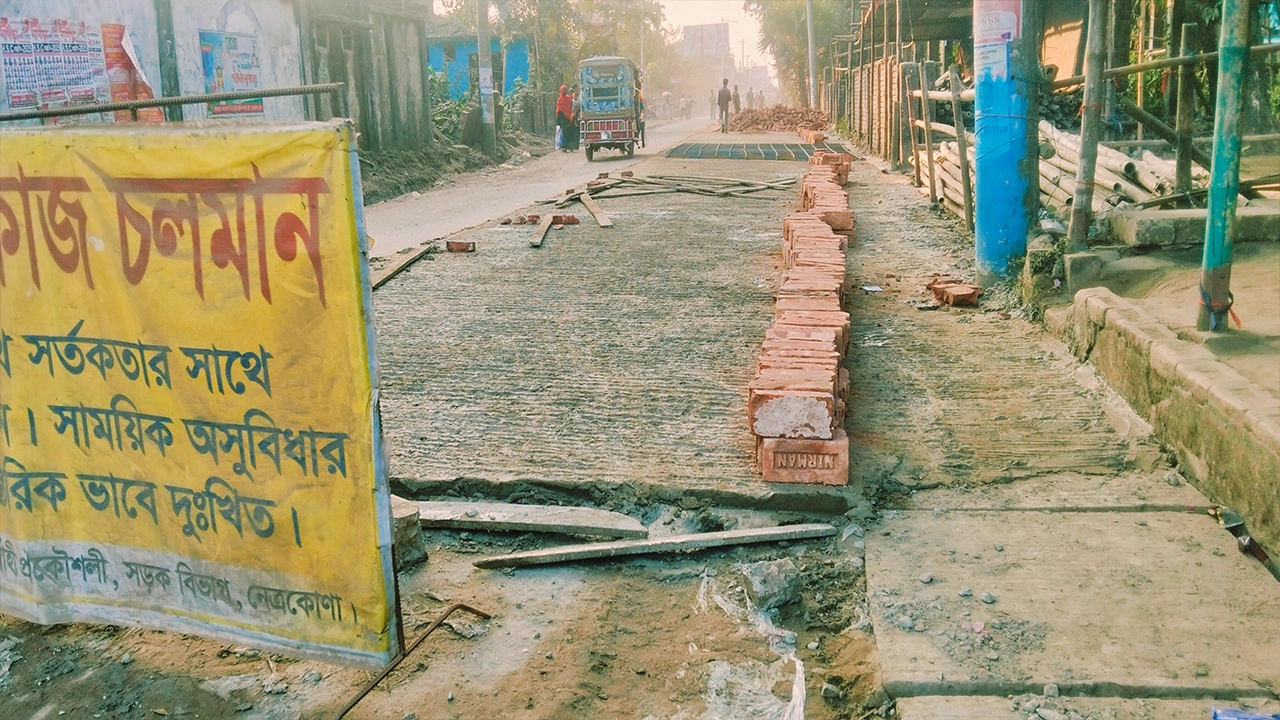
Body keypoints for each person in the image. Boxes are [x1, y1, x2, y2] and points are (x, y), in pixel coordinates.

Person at [555, 84, 573, 152]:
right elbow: (558, 110)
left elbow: (571, 106)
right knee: (565, 132)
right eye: (563, 89)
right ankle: (565, 146)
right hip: (563, 118)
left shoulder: (568, 98)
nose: (564, 91)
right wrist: (558, 120)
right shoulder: (560, 100)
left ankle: (569, 145)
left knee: (570, 131)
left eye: (565, 89)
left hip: (570, 117)